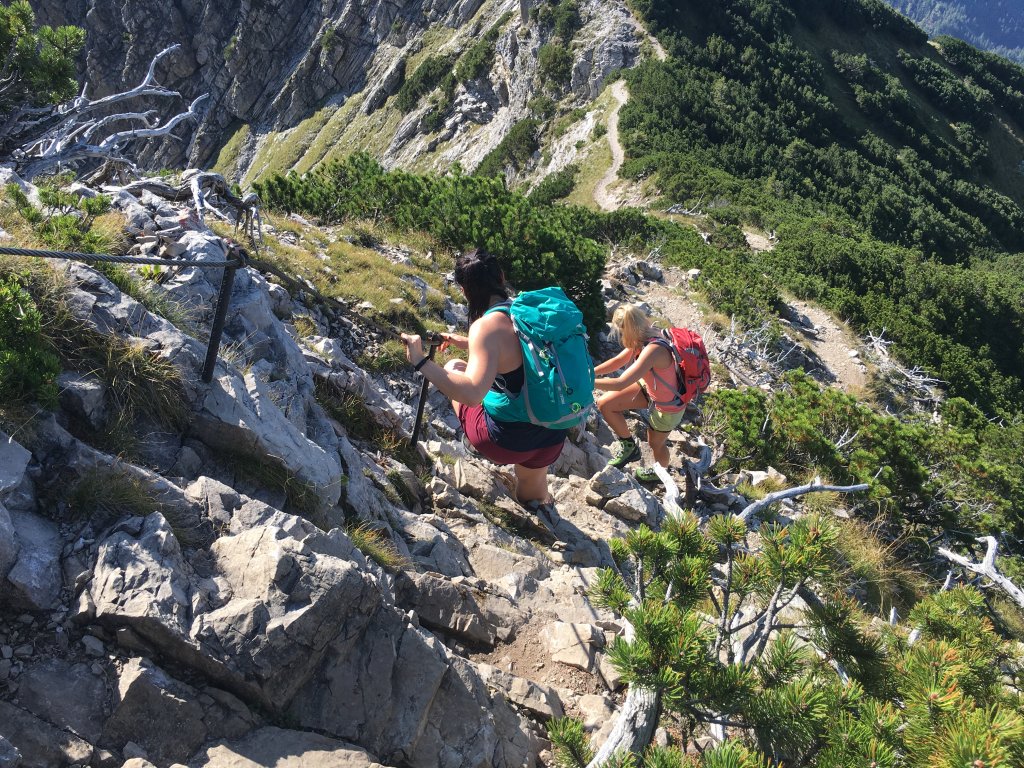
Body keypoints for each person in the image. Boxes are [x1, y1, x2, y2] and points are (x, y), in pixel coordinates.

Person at [401, 249, 567, 513]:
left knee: (456, 366)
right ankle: (540, 510)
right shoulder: (529, 313)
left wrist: (421, 361)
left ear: (465, 292)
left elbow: (471, 394)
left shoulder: (485, 326)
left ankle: (472, 440)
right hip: (554, 430)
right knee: (532, 493)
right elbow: (520, 350)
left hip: (504, 443)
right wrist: (465, 342)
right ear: (501, 277)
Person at [593, 304, 686, 483]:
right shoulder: (643, 335)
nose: (620, 335)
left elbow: (621, 383)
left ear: (627, 328)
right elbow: (618, 361)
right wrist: (590, 372)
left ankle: (660, 473)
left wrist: (586, 382)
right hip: (650, 390)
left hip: (667, 407)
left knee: (655, 443)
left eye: (621, 330)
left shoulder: (653, 349)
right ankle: (629, 447)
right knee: (605, 404)